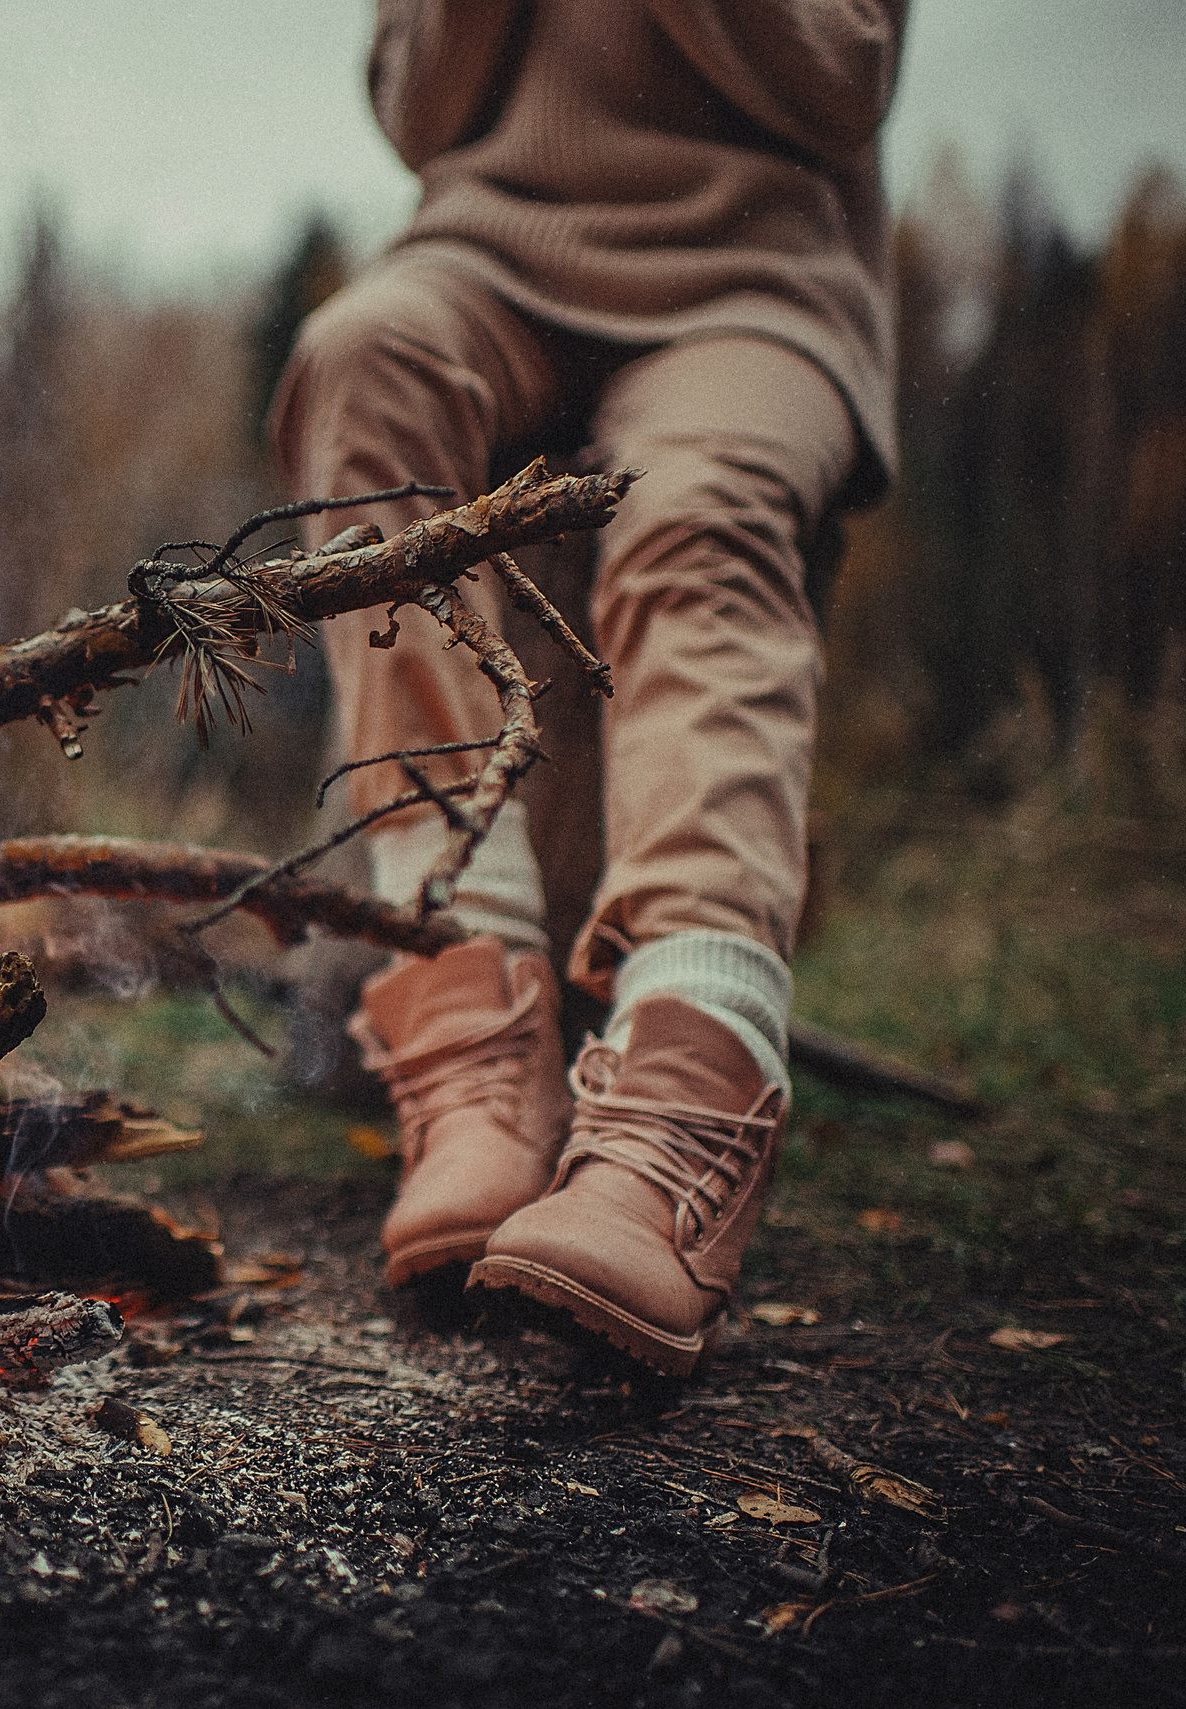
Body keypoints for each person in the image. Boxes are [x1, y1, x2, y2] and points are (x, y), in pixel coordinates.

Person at [268, 0, 907, 1375]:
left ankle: (687, 1108)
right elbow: (419, 112)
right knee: (360, 362)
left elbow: (843, 75)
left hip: (758, 285)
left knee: (701, 515)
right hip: (487, 258)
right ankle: (475, 1042)